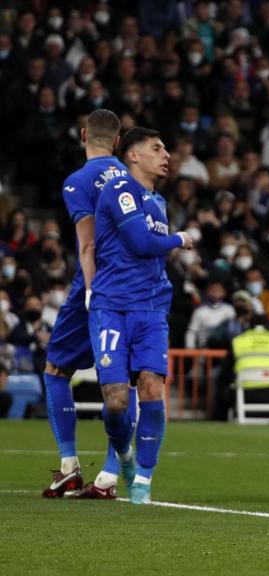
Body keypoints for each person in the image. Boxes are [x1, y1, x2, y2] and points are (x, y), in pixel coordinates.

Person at [85, 126, 193, 504]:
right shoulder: (119, 189)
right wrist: (180, 238)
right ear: (132, 155)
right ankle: (125, 457)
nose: (166, 154)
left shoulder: (157, 202)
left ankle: (143, 480)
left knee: (151, 388)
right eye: (156, 148)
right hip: (112, 307)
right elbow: (142, 243)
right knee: (115, 400)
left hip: (150, 309)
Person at [41, 109, 134, 498]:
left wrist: (94, 293)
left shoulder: (78, 181)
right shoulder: (132, 176)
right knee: (120, 378)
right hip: (137, 283)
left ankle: (69, 466)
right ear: (118, 141)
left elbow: (88, 244)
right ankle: (111, 474)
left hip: (97, 284)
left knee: (56, 369)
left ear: (83, 135)